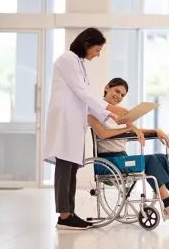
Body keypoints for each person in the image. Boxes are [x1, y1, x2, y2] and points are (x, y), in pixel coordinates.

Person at [44, 28, 128, 230]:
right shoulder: (68, 59)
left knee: (71, 168)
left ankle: (69, 213)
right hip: (65, 122)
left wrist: (111, 114)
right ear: (87, 43)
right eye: (97, 49)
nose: (98, 54)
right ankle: (64, 216)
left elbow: (86, 97)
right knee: (65, 168)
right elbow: (82, 92)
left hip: (73, 123)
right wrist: (110, 108)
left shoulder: (79, 64)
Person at [88, 78, 169, 217]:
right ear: (107, 87)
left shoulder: (119, 114)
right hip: (109, 161)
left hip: (122, 158)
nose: (119, 96)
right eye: (117, 91)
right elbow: (102, 134)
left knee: (161, 158)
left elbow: (136, 130)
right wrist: (126, 131)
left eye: (122, 95)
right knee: (150, 160)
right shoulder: (93, 111)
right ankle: (168, 205)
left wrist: (155, 131)